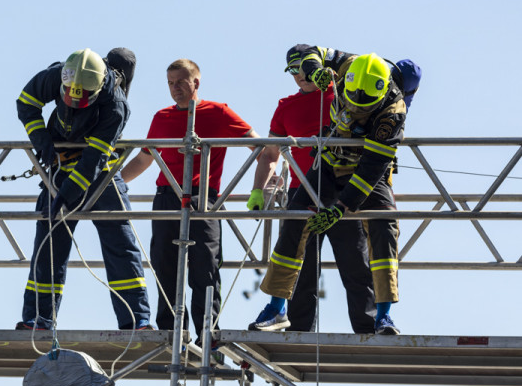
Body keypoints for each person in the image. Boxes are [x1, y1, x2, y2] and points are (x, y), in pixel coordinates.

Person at [248, 45, 407, 335]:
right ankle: (276, 308)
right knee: (294, 223)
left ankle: (382, 317)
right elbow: (314, 52)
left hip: (365, 173)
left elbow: (372, 168)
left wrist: (340, 208)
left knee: (384, 226)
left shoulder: (392, 113)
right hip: (329, 161)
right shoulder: (348, 64)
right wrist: (314, 69)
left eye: (363, 107)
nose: (355, 110)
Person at [121, 58, 262, 339]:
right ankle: (171, 335)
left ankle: (208, 335)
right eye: (170, 83)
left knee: (205, 267)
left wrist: (263, 184)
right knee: (165, 266)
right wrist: (114, 184)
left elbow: (260, 146)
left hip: (204, 199)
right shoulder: (162, 117)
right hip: (166, 198)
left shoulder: (218, 112)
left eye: (180, 82)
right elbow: (144, 159)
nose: (175, 89)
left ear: (195, 82)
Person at [15, 47, 152, 331]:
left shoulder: (116, 105)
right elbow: (26, 102)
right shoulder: (58, 75)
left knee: (121, 245)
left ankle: (135, 321)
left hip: (101, 172)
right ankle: (39, 320)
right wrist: (40, 137)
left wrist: (66, 194)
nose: (74, 101)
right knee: (48, 247)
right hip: (59, 167)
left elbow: (94, 158)